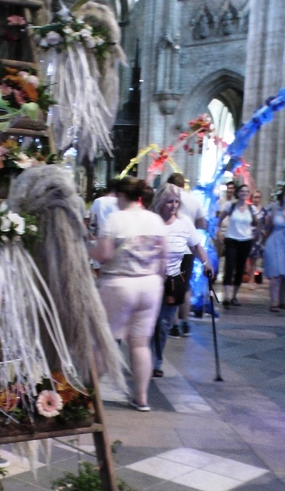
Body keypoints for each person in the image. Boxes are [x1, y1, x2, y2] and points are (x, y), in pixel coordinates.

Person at [89, 177, 167, 412]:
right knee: (140, 343)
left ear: (121, 196)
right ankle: (142, 398)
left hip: (120, 284)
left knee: (105, 341)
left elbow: (103, 254)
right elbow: (165, 258)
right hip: (151, 285)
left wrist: (86, 247)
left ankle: (88, 395)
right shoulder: (155, 219)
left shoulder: (116, 219)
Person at [151, 185, 214, 378]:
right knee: (150, 322)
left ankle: (156, 361)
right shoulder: (151, 221)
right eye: (170, 201)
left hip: (175, 279)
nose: (174, 205)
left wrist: (206, 263)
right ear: (161, 202)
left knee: (164, 323)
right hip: (152, 278)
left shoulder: (185, 222)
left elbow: (195, 245)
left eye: (177, 202)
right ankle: (146, 357)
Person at [164, 173, 207, 337]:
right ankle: (185, 322)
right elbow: (202, 223)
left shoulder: (168, 197)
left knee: (171, 286)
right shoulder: (194, 200)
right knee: (185, 286)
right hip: (189, 249)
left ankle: (173, 325)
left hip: (173, 246)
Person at [217, 184, 257, 307]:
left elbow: (257, 223)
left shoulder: (251, 209)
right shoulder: (231, 205)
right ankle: (226, 297)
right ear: (238, 193)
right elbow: (219, 219)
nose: (244, 193)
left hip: (245, 241)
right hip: (231, 239)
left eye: (246, 191)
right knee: (229, 267)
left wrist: (255, 234)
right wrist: (218, 232)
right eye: (242, 191)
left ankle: (234, 296)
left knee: (240, 269)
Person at [263, 186, 285, 311]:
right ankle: (273, 302)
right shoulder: (275, 209)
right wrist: (269, 219)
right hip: (275, 242)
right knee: (276, 274)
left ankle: (282, 300)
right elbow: (267, 228)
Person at [246, 188, 267, 285]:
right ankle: (248, 278)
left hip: (259, 237)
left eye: (258, 197)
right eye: (254, 197)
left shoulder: (264, 211)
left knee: (255, 259)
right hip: (248, 235)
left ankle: (253, 278)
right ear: (251, 198)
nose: (256, 199)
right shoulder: (248, 209)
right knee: (248, 258)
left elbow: (266, 224)